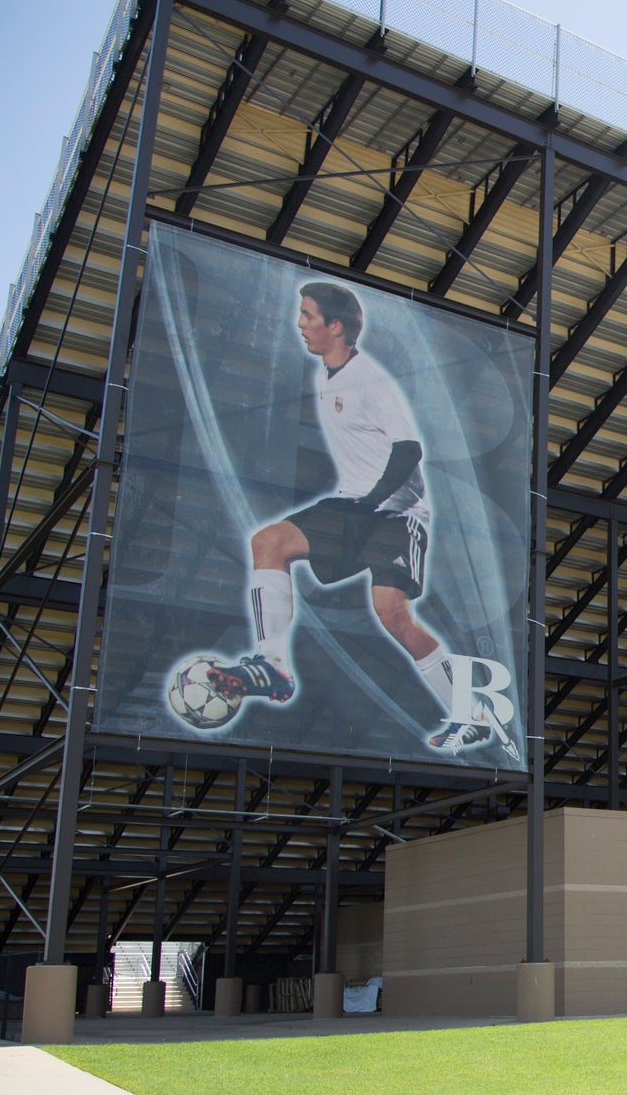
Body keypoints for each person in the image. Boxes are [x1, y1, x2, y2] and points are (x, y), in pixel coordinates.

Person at [202, 281, 488, 753]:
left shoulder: (369, 379)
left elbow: (408, 448)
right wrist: (358, 500)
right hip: (353, 502)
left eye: (308, 315)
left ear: (336, 326)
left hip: (396, 514)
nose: (300, 323)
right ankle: (272, 664)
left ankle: (470, 714)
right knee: (268, 542)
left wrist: (374, 499)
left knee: (392, 614)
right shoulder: (328, 375)